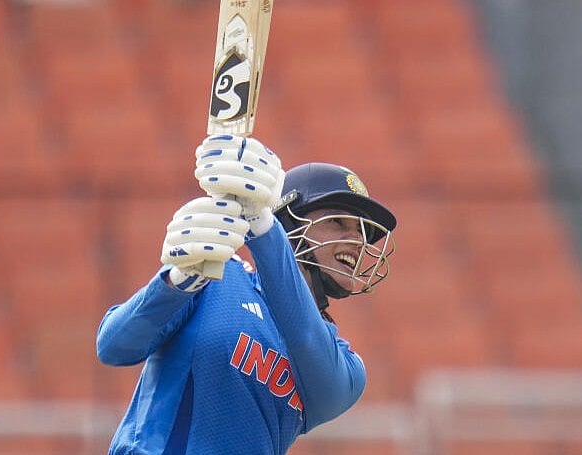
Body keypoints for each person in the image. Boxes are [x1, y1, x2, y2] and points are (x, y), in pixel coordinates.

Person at [96, 135, 396, 455]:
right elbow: (114, 346)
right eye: (338, 222)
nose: (357, 240)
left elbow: (302, 331)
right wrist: (175, 281)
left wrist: (259, 222)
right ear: (289, 220)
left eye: (363, 232)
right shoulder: (217, 276)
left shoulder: (345, 367)